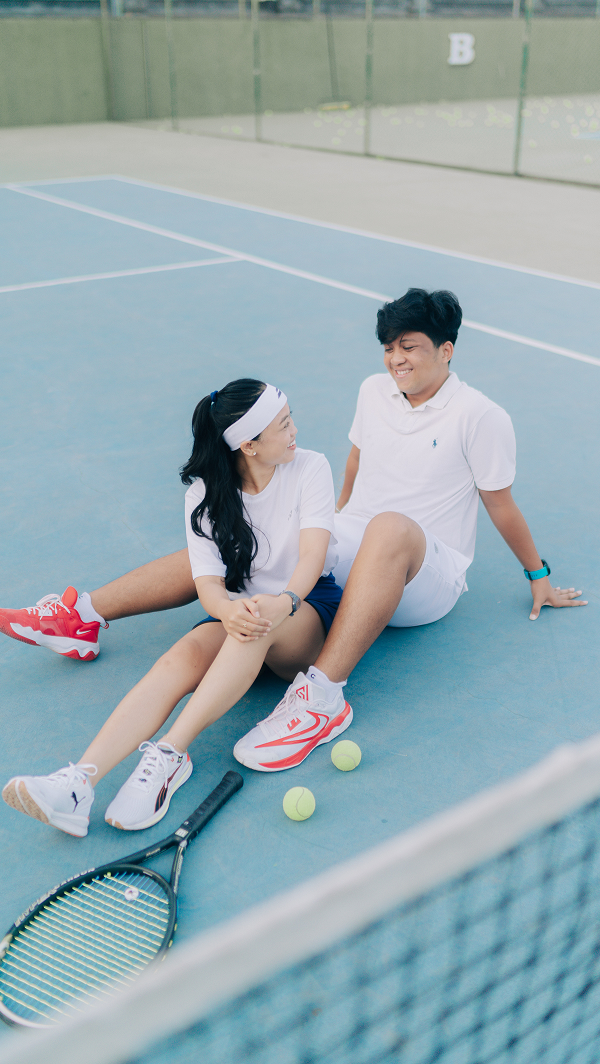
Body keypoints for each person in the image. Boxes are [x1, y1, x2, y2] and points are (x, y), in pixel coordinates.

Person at [0, 290, 586, 776]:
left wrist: (538, 576)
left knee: (387, 528)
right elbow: (356, 464)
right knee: (236, 541)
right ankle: (84, 617)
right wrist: (321, 525)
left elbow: (500, 504)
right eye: (388, 349)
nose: (395, 361)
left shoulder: (482, 416)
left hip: (427, 570)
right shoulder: (373, 390)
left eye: (408, 348)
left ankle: (322, 698)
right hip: (359, 540)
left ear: (446, 350)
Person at [2, 379, 350, 837]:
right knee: (179, 657)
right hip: (240, 613)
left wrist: (282, 601)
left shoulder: (310, 467)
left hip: (303, 610)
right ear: (248, 444)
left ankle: (169, 755)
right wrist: (226, 611)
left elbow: (311, 557)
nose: (294, 430)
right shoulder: (204, 497)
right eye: (283, 425)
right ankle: (78, 783)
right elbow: (205, 583)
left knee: (258, 619)